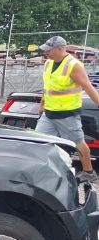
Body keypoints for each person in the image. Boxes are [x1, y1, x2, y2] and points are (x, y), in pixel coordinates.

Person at [35, 36, 99, 183]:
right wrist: (42, 104)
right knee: (39, 140)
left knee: (78, 142)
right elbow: (48, 87)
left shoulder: (73, 65)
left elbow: (88, 87)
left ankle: (89, 172)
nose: (46, 53)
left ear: (60, 49)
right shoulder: (48, 63)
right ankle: (43, 169)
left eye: (49, 50)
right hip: (49, 113)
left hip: (67, 114)